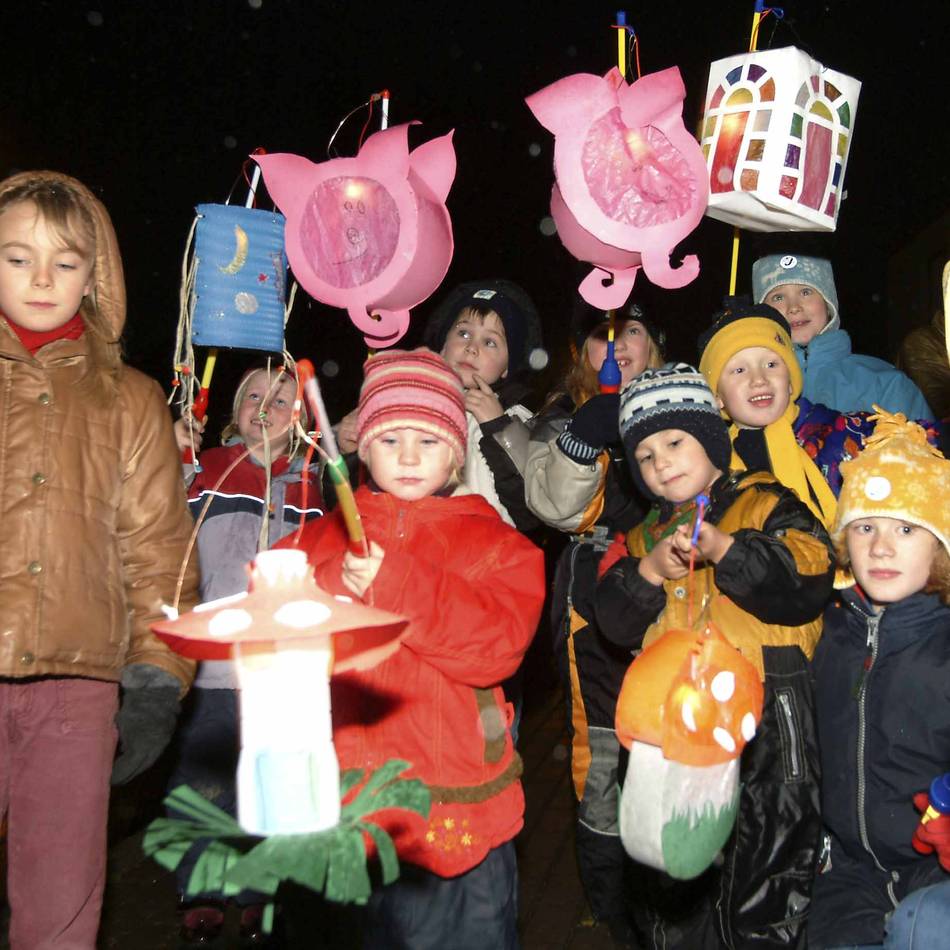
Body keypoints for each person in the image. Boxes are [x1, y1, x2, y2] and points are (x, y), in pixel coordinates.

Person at [281, 348, 545, 949]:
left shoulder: (496, 545)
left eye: (427, 441)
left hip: (452, 802)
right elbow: (272, 612)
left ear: (455, 453)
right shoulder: (319, 537)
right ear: (362, 446)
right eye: (390, 437)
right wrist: (328, 585)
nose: (405, 455)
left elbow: (496, 646)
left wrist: (395, 583)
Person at [0, 170, 199, 948]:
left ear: (95, 275)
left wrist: (154, 678)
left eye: (66, 260)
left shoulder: (131, 398)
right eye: (16, 257)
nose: (42, 278)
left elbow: (161, 551)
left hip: (80, 687)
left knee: (60, 903)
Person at [595, 363, 833, 949]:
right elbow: (613, 619)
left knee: (763, 888)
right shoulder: (644, 537)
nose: (661, 462)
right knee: (672, 885)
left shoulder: (765, 502)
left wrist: (726, 549)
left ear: (710, 438)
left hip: (764, 739)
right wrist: (648, 572)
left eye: (674, 441)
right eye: (645, 455)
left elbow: (810, 574)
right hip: (667, 736)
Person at [522, 299, 665, 945]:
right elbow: (553, 509)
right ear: (580, 355)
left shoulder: (683, 399)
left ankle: (675, 892)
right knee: (602, 755)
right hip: (593, 601)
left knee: (671, 743)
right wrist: (585, 438)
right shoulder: (561, 418)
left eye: (630, 331)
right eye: (599, 338)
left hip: (673, 593)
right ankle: (612, 907)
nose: (617, 348)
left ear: (653, 342)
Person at [168, 363, 324, 945]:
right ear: (233, 410)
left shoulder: (313, 483)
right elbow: (157, 522)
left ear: (301, 419)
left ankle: (263, 889)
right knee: (205, 783)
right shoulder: (204, 472)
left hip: (280, 672)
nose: (264, 406)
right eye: (253, 396)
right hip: (210, 665)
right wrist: (171, 453)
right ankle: (202, 887)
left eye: (280, 399)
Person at [808, 410, 950, 950]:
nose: (881, 547)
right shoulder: (828, 633)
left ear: (940, 546)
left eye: (907, 528)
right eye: (865, 526)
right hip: (847, 873)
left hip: (936, 872)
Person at [423, 278, 543, 531]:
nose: (471, 348)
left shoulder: (518, 419)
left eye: (490, 342)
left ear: (507, 368)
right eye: (463, 333)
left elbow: (531, 509)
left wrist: (498, 428)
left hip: (486, 561)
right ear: (443, 345)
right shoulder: (408, 407)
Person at [752, 253, 933, 419]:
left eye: (806, 292)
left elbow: (922, 449)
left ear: (828, 302)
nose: (794, 307)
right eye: (778, 297)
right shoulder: (751, 386)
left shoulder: (885, 382)